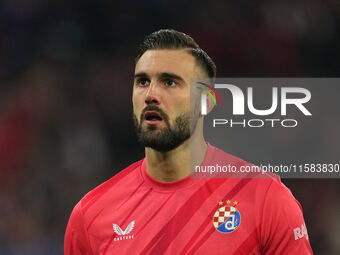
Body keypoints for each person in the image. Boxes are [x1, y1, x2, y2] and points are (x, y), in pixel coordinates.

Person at [64, 29, 313, 254]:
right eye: (142, 82)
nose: (151, 94)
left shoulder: (266, 199)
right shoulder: (91, 216)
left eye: (169, 82)